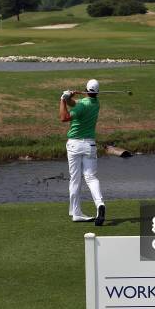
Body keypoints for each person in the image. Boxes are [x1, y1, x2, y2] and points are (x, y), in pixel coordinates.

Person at [59, 79, 106, 226]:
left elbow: (64, 117)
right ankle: (100, 205)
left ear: (86, 90)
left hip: (74, 145)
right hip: (90, 145)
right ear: (97, 92)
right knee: (91, 177)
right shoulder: (96, 104)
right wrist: (69, 98)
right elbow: (76, 104)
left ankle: (76, 212)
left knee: (75, 179)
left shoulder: (82, 106)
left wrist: (62, 100)